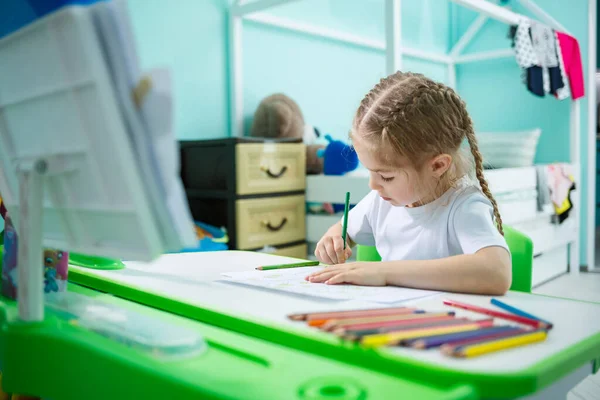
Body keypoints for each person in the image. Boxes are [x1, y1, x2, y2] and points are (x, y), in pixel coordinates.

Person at [307, 71, 511, 295]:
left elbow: (497, 272)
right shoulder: (381, 201)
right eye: (370, 172)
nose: (373, 186)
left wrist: (385, 273)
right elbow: (343, 230)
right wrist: (333, 239)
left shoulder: (463, 206)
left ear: (437, 166)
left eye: (386, 176)